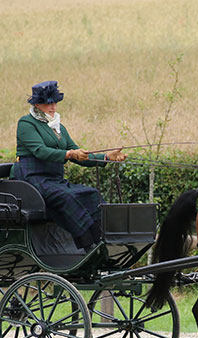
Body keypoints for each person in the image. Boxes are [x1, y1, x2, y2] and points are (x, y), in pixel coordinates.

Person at [12, 80, 126, 251]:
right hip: (34, 180)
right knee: (68, 197)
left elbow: (79, 154)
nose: (53, 107)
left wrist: (107, 157)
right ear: (37, 104)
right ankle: (88, 244)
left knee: (91, 194)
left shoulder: (58, 128)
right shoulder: (26, 124)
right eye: (47, 103)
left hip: (54, 180)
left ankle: (104, 239)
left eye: (55, 102)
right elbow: (40, 151)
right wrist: (69, 154)